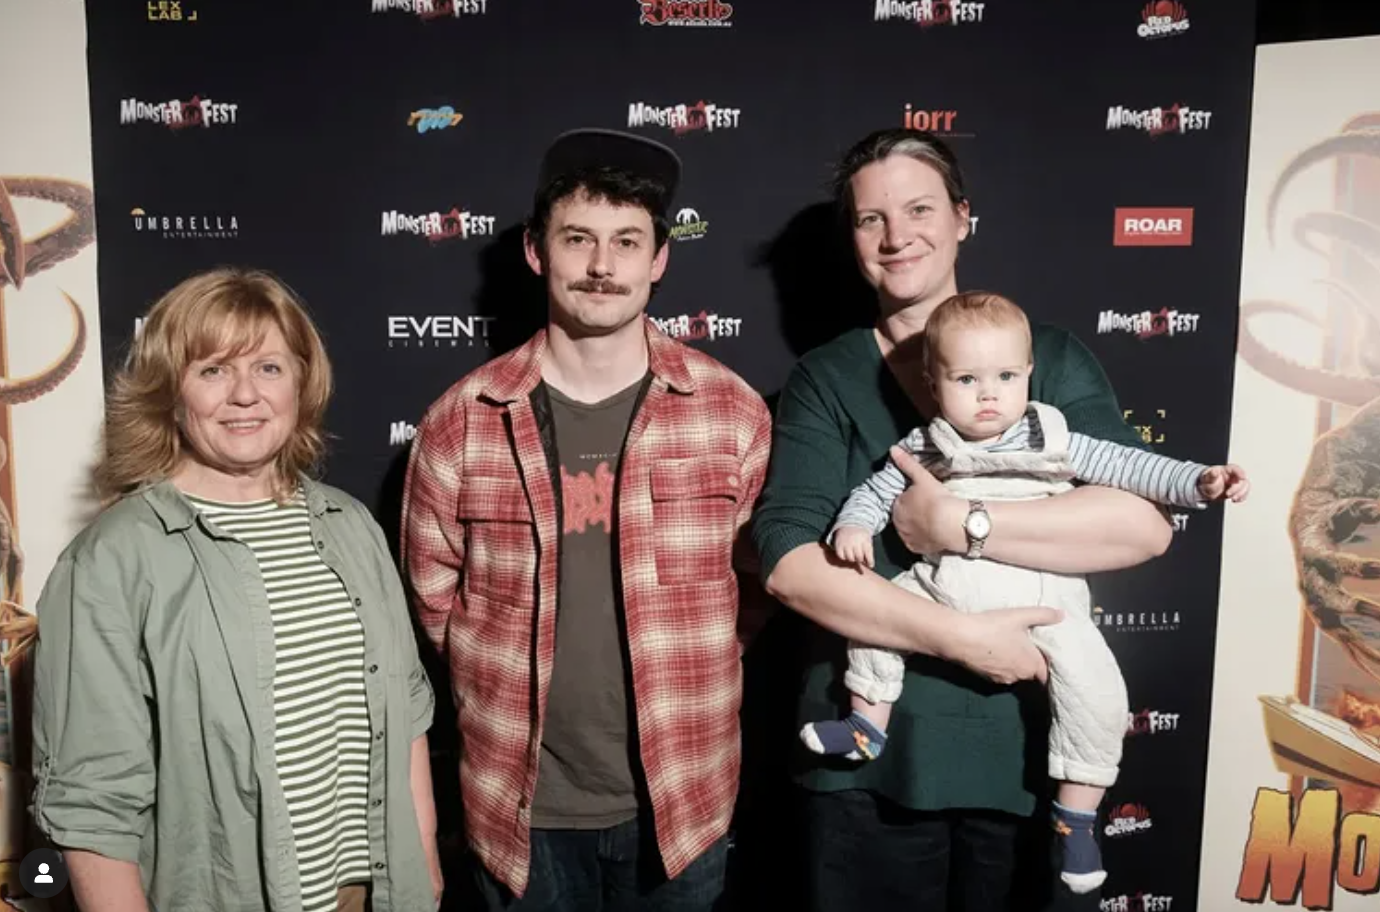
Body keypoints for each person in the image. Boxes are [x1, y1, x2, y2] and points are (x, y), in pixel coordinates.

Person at [750, 127, 1179, 912]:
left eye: (919, 209)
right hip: (866, 777)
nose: (896, 235)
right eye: (870, 218)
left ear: (962, 218)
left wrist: (958, 525)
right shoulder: (828, 375)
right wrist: (965, 640)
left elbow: (1141, 525)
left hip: (1019, 762)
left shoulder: (1045, 356)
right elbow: (788, 562)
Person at [400, 128, 773, 911]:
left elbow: (757, 589)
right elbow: (435, 602)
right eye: (579, 239)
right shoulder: (460, 422)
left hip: (682, 804)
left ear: (659, 259)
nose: (603, 267)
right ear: (538, 252)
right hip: (518, 813)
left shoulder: (731, 413)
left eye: (627, 242)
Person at [798, 291, 1249, 892]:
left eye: (1006, 376)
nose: (988, 395)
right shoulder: (926, 445)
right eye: (967, 379)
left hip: (1043, 598)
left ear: (1030, 375)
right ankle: (865, 724)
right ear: (934, 385)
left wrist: (1197, 481)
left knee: (1097, 690)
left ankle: (1077, 816)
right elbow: (878, 492)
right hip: (943, 583)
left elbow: (1131, 468)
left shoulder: (1053, 436)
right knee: (875, 615)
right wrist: (853, 526)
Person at [29, 268, 443, 912]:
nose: (245, 395)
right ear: (171, 391)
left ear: (302, 382)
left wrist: (427, 866)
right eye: (213, 370)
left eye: (270, 368)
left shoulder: (351, 525)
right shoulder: (111, 560)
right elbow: (92, 803)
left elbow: (407, 715)